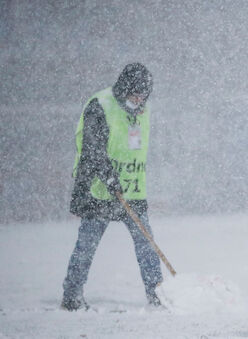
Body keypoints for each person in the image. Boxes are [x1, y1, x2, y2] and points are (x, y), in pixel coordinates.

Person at [61, 63, 163, 311]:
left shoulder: (143, 110)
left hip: (132, 190)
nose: (138, 100)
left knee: (146, 243)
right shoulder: (101, 105)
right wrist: (107, 176)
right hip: (100, 190)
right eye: (134, 94)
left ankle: (158, 294)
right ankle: (72, 296)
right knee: (86, 246)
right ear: (124, 89)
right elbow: (92, 149)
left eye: (143, 96)